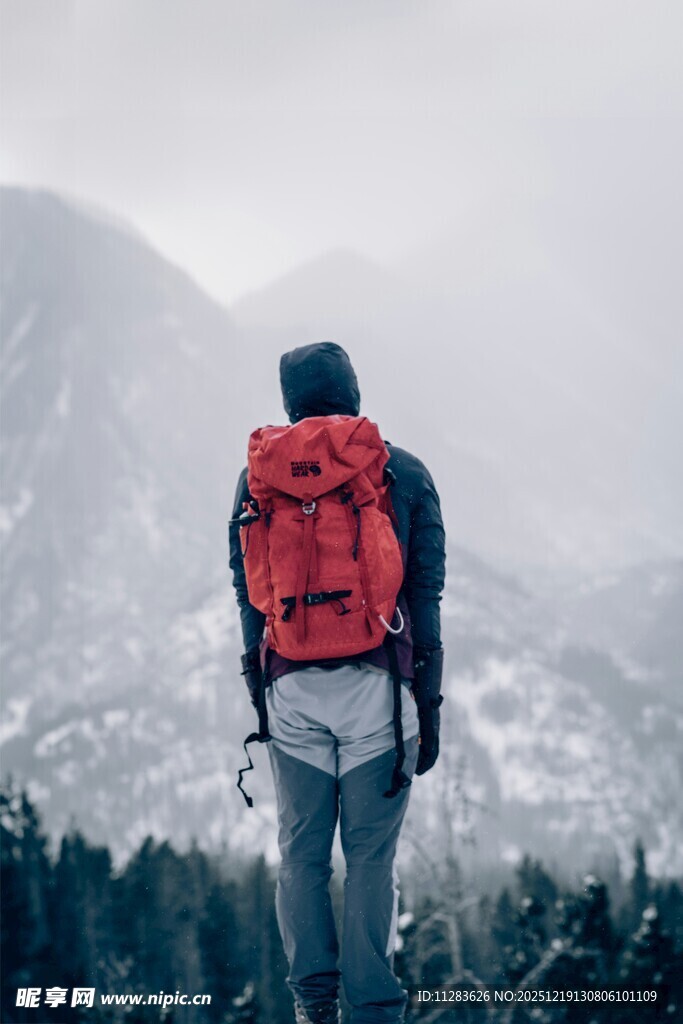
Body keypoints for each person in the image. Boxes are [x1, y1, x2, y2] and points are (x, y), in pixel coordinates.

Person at [229, 341, 446, 1024]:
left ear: (290, 400)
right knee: (369, 859)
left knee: (301, 857)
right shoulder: (399, 470)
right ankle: (373, 1011)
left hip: (291, 689)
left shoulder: (259, 477)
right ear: (351, 391)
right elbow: (426, 596)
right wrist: (428, 704)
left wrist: (262, 695)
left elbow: (248, 596)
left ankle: (313, 1006)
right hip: (377, 690)